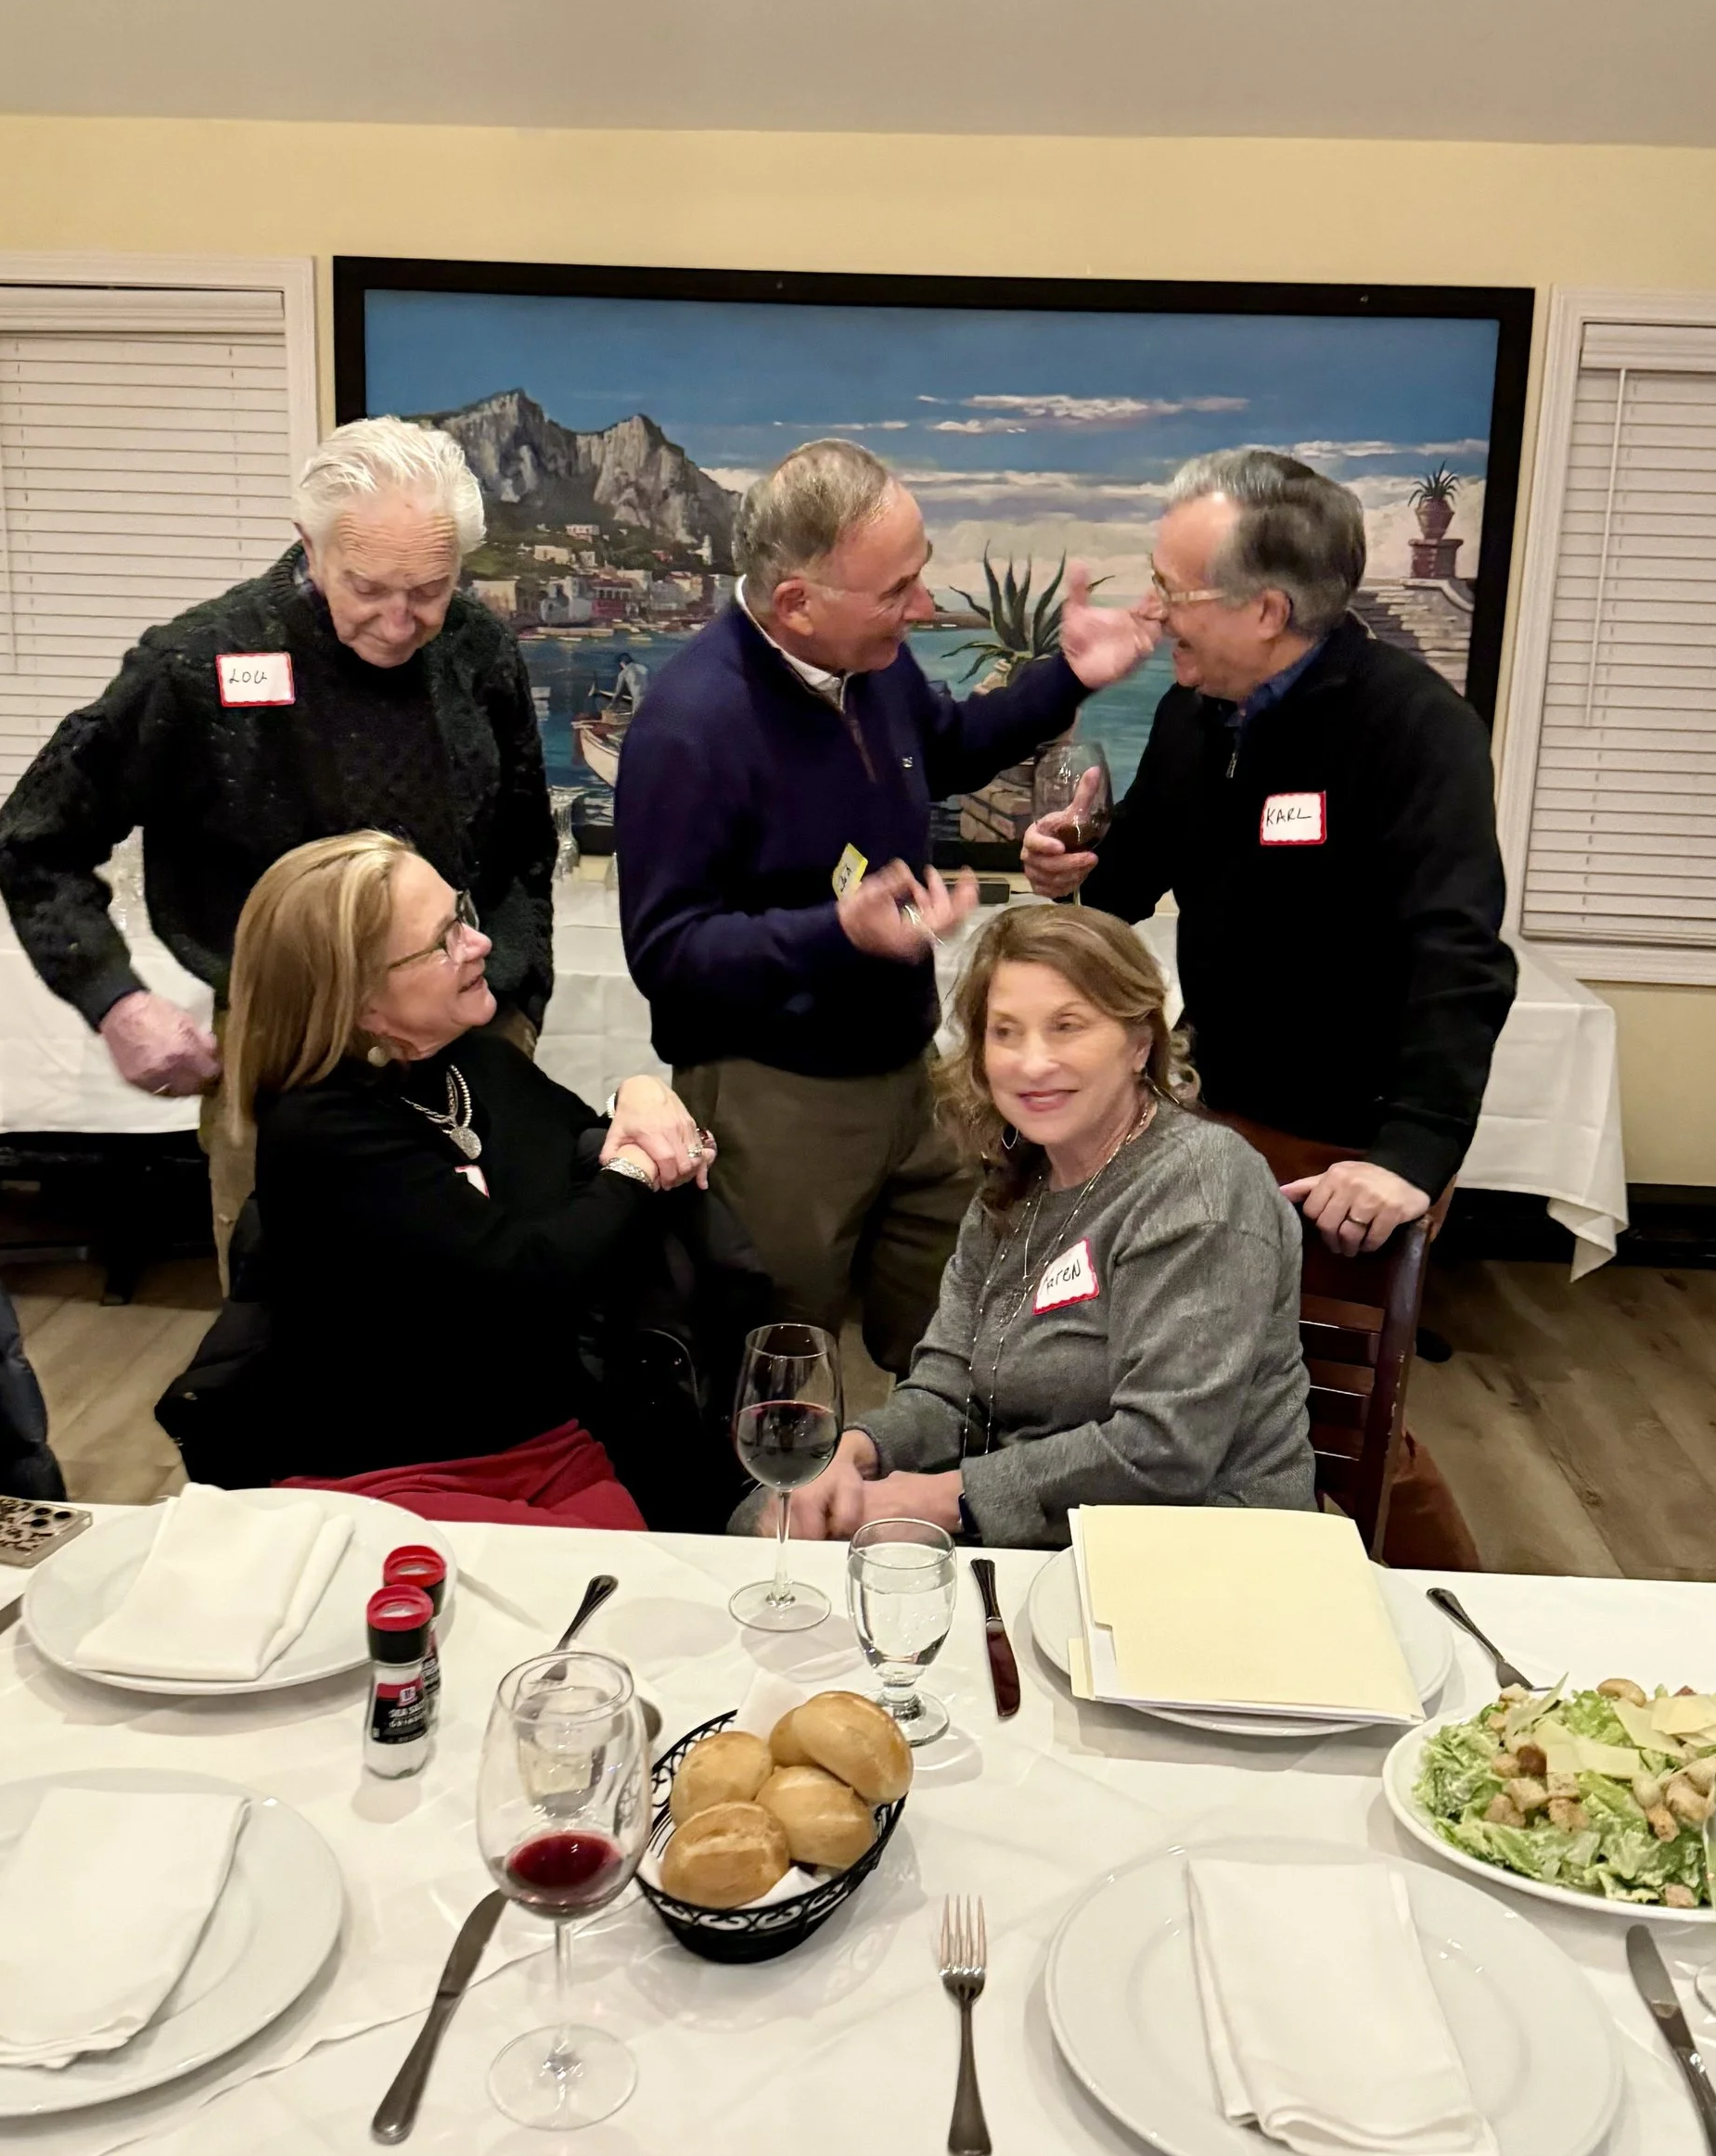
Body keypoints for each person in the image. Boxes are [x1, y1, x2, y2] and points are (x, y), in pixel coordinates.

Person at [1021, 446, 1515, 1565]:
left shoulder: (1411, 729)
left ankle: (1466, 1637)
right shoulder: (1201, 709)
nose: (1155, 613)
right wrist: (1074, 872)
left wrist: (1412, 1156)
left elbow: (1462, 957)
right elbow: (1131, 872)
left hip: (1341, 1146)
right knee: (1177, 1394)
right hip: (1210, 1118)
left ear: (1270, 609)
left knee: (1331, 1418)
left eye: (1176, 591)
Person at [617, 438, 1159, 1376]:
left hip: (913, 1077)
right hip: (771, 1098)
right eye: (898, 588)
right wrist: (835, 933)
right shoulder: (690, 724)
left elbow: (947, 744)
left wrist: (1068, 677)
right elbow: (664, 951)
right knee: (775, 1358)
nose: (924, 607)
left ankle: (938, 1504)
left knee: (965, 1333)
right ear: (797, 602)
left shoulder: (872, 665)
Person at [0, 416, 556, 1266]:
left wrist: (520, 997)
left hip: (469, 1029)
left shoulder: (478, 649)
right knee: (292, 1321)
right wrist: (115, 999)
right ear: (310, 544)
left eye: (430, 590)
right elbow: (36, 837)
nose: (401, 622)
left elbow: (523, 841)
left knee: (487, 1297)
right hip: (288, 1047)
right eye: (368, 587)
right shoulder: (199, 663)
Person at [218, 829, 712, 1521]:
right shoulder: (323, 1128)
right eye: (443, 939)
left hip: (543, 1437)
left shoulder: (472, 1061)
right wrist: (638, 1166)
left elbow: (582, 1146)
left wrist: (639, 1094)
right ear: (359, 999)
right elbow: (533, 1276)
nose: (479, 944)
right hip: (394, 1474)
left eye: (463, 915)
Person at [791, 905, 1313, 1544]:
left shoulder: (1200, 1182)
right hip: (1042, 1536)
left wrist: (940, 1497)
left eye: (1067, 1027)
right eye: (1005, 1031)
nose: (1031, 1063)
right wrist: (859, 1450)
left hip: (1202, 1551)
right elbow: (949, 1385)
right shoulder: (1016, 1183)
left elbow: (1165, 1450)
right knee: (774, 1524)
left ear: (1139, 1043)